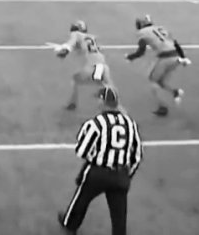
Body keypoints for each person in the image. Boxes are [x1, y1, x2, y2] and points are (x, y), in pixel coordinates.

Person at [58, 87, 142, 235]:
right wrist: (127, 173)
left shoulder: (95, 123)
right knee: (119, 215)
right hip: (121, 173)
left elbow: (81, 151)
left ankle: (70, 224)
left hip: (98, 173)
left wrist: (96, 159)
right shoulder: (130, 123)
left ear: (103, 102)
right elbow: (137, 154)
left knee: (81, 199)